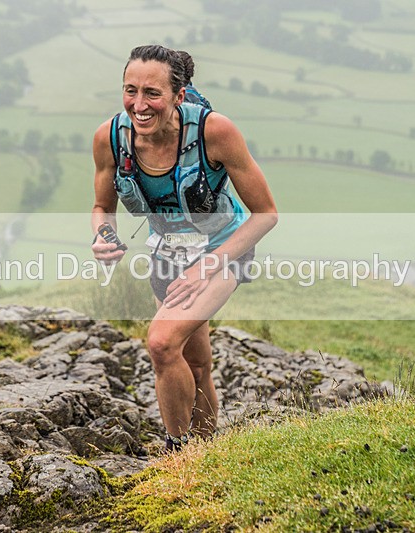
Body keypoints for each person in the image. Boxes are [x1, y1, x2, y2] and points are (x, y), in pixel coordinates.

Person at [91, 45, 277, 452]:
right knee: (195, 363)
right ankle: (208, 451)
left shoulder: (215, 132)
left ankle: (179, 453)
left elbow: (265, 214)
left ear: (179, 95)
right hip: (166, 258)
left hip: (223, 249)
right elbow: (102, 207)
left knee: (161, 342)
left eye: (152, 94)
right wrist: (103, 234)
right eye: (130, 90)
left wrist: (207, 266)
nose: (139, 105)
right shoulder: (109, 138)